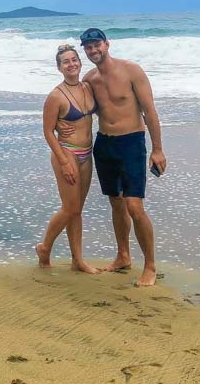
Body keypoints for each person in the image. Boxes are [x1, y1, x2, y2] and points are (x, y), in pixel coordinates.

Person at [70, 27, 166, 286]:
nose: (93, 50)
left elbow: (150, 111)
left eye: (96, 44)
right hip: (105, 145)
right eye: (88, 47)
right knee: (116, 203)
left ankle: (150, 266)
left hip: (132, 143)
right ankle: (123, 256)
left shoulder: (131, 71)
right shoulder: (90, 80)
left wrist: (157, 149)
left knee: (135, 206)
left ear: (107, 44)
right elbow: (76, 109)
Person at [36, 44, 101, 274]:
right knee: (70, 207)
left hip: (87, 152)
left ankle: (78, 260)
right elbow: (47, 131)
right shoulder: (56, 96)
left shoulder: (87, 88)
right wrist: (63, 161)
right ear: (59, 68)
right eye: (66, 61)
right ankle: (45, 247)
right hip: (67, 152)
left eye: (74, 59)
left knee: (77, 210)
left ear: (80, 62)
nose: (71, 64)